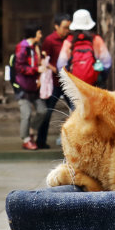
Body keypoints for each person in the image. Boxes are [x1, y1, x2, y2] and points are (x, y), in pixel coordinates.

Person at [35, 12, 71, 149]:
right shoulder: (50, 40)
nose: (66, 31)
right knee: (47, 111)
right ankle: (41, 140)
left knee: (76, 109)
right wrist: (55, 68)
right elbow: (43, 60)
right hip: (54, 82)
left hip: (68, 81)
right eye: (64, 27)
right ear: (56, 26)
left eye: (68, 27)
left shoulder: (69, 40)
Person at [13, 24, 49, 151]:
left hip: (35, 86)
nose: (40, 35)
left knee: (42, 110)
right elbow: (19, 67)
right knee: (26, 113)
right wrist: (36, 69)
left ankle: (31, 130)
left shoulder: (36, 47)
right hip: (23, 86)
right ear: (33, 34)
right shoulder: (23, 47)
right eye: (39, 33)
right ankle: (26, 139)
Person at [57, 8, 112, 86]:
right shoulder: (96, 39)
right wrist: (101, 77)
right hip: (94, 84)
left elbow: (60, 65)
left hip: (75, 85)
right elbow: (107, 63)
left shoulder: (69, 41)